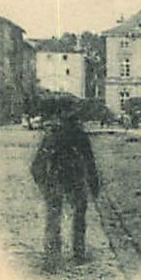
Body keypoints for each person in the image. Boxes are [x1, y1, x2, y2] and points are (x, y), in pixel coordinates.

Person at [30, 111, 101, 270]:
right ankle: (78, 252)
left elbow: (36, 165)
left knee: (53, 217)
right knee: (78, 215)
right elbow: (90, 163)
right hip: (74, 179)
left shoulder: (52, 135)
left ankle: (52, 255)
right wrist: (94, 185)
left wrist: (43, 183)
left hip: (55, 180)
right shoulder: (80, 136)